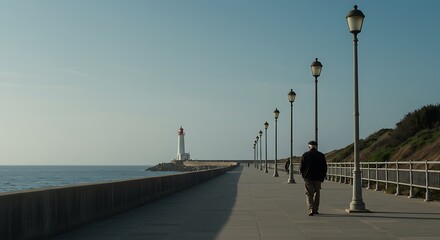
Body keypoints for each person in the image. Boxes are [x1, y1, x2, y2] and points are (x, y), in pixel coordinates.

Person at [300, 141, 327, 216]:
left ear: (309, 147)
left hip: (308, 177)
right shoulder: (321, 155)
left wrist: (304, 176)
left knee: (309, 193)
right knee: (317, 193)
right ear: (316, 146)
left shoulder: (305, 155)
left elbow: (301, 167)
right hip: (318, 177)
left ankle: (311, 208)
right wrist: (323, 176)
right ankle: (315, 209)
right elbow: (324, 167)